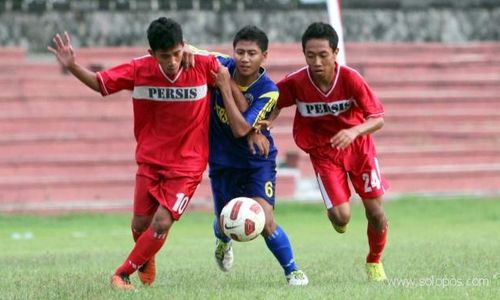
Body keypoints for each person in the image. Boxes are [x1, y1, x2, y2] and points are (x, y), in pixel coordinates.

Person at [48, 17, 226, 289]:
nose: (173, 61)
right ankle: (147, 257)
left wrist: (197, 50)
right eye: (165, 56)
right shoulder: (138, 70)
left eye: (177, 53)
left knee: (162, 222)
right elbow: (100, 84)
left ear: (183, 47)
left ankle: (121, 274)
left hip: (188, 164)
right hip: (150, 161)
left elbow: (234, 66)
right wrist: (72, 66)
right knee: (140, 224)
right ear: (151, 53)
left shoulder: (200, 64)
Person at [267, 22, 389, 281]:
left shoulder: (351, 79)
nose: (317, 61)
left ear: (335, 53)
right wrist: (268, 119)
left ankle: (374, 260)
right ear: (304, 55)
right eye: (310, 55)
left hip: (359, 150)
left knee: (376, 213)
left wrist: (354, 131)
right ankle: (338, 213)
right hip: (325, 153)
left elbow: (377, 118)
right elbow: (274, 99)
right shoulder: (298, 82)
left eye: (323, 54)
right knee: (341, 217)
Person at [205, 25, 308, 286]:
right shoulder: (220, 64)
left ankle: (292, 270)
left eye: (252, 53)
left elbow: (241, 129)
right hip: (222, 160)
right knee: (224, 221)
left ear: (264, 56)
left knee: (264, 217)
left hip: (255, 160)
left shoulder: (268, 90)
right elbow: (190, 52)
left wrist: (225, 87)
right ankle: (222, 241)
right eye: (240, 52)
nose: (245, 58)